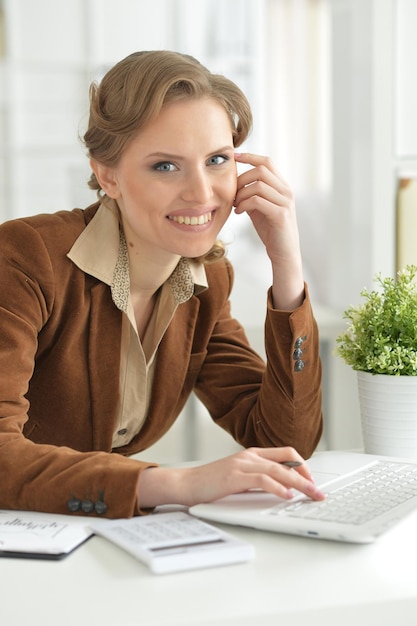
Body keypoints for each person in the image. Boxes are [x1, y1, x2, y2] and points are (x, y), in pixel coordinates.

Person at [0, 50, 324, 518]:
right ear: (107, 174)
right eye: (165, 166)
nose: (202, 192)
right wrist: (176, 483)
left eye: (217, 159)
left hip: (90, 536)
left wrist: (287, 266)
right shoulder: (25, 257)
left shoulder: (208, 281)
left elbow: (285, 443)